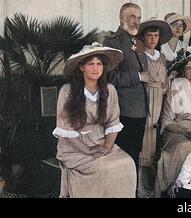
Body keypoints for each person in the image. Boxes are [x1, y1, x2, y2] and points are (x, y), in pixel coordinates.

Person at [53, 43, 136, 197]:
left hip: (100, 141)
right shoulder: (67, 91)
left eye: (99, 64)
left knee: (127, 163)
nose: (95, 68)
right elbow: (65, 131)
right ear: (81, 67)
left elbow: (113, 123)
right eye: (91, 64)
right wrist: (88, 150)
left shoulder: (109, 90)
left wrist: (106, 147)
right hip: (74, 146)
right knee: (104, 167)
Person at [153, 46, 191, 197]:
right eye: (188, 68)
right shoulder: (175, 87)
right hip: (178, 129)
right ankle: (177, 190)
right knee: (184, 146)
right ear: (182, 71)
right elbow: (166, 120)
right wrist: (186, 132)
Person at [103, 3, 148, 171]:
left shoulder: (139, 41)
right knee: (122, 157)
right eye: (132, 17)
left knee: (134, 155)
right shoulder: (113, 42)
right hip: (123, 110)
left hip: (141, 109)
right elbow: (109, 76)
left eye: (139, 17)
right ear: (122, 18)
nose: (136, 21)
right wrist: (138, 76)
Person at [136, 19, 172, 198]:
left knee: (155, 144)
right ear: (143, 37)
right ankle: (141, 190)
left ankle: (153, 188)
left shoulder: (162, 57)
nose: (153, 39)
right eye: (149, 35)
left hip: (159, 100)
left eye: (156, 35)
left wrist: (166, 82)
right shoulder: (140, 55)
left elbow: (164, 84)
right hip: (145, 98)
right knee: (144, 144)